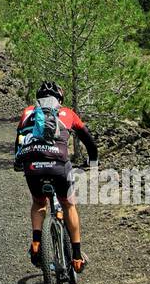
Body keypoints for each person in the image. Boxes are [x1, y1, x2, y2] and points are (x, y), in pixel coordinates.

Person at [15, 80, 98, 273]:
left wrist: (19, 163)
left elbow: (19, 141)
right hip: (58, 166)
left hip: (33, 165)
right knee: (68, 204)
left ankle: (36, 244)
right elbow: (89, 141)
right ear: (59, 98)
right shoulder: (68, 113)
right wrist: (92, 162)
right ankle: (77, 256)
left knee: (38, 203)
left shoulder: (28, 112)